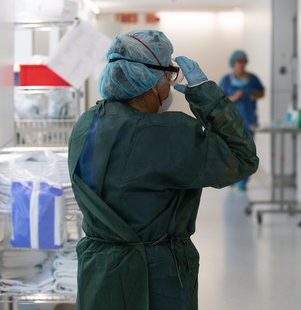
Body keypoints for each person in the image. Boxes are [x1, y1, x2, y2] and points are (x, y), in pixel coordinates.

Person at [67, 30, 259, 310]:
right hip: (156, 278)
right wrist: (205, 94)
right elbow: (242, 158)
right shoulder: (166, 133)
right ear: (150, 81)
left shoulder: (85, 124)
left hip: (99, 275)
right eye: (168, 76)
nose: (169, 86)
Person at [218, 50, 265, 191]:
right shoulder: (226, 80)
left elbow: (262, 92)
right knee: (231, 150)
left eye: (245, 61)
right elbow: (220, 98)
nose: (243, 64)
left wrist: (255, 95)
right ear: (233, 63)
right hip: (230, 121)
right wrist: (235, 97)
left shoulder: (253, 79)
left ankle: (243, 182)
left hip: (249, 120)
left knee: (247, 151)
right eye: (240, 61)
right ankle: (232, 177)